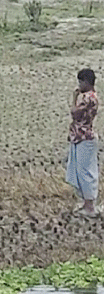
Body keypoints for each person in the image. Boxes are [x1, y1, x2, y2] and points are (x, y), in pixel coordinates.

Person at [66, 68, 99, 217]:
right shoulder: (93, 97)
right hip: (82, 136)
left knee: (85, 172)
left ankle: (89, 206)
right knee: (83, 171)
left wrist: (74, 98)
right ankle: (87, 203)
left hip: (83, 137)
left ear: (86, 82)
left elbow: (75, 113)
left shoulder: (87, 98)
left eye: (80, 81)